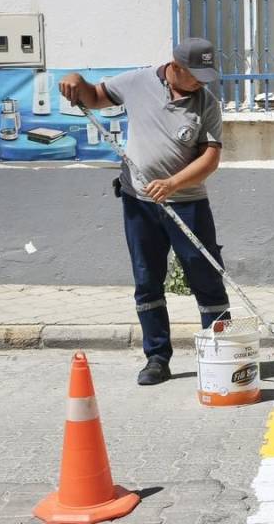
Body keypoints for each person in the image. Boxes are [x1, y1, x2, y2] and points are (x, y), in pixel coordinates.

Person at [59, 38, 230, 385]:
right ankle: (156, 357)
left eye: (205, 76)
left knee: (207, 280)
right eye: (195, 75)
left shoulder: (207, 104)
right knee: (147, 281)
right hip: (139, 203)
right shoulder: (137, 82)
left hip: (188, 204)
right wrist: (76, 79)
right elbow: (94, 95)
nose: (201, 82)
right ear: (176, 66)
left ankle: (220, 354)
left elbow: (210, 158)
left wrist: (173, 184)